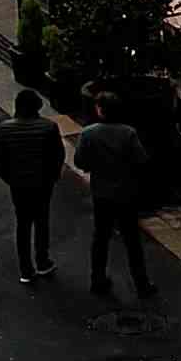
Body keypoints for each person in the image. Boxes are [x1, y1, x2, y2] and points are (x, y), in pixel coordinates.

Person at [74, 92, 153, 300]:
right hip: (126, 193)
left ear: (100, 110)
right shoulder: (128, 133)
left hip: (101, 193)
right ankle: (141, 283)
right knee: (132, 240)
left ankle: (98, 279)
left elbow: (80, 162)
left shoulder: (88, 134)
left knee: (101, 238)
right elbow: (141, 160)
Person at [0, 88, 65, 283]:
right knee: (42, 221)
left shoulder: (4, 129)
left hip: (18, 184)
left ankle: (26, 269)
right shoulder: (49, 127)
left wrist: (10, 178)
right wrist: (53, 177)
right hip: (43, 183)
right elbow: (58, 156)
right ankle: (42, 261)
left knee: (22, 224)